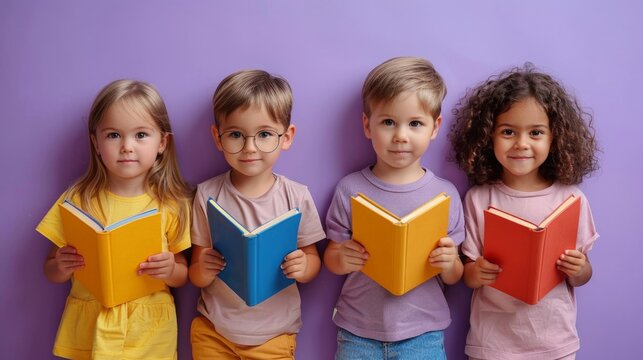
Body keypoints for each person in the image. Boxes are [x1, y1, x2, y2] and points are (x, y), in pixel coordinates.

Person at [449, 64, 599, 360]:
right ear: (488, 136)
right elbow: (467, 273)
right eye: (508, 131)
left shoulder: (571, 198)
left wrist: (580, 270)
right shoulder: (479, 198)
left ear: (554, 138)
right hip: (492, 345)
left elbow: (583, 275)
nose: (521, 144)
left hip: (555, 343)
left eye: (536, 133)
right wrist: (477, 272)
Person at [39, 79, 192, 359]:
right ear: (96, 143)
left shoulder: (172, 203)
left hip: (148, 331)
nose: (127, 147)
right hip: (89, 327)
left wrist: (170, 269)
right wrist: (61, 265)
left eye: (141, 135)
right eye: (113, 135)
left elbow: (183, 274)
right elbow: (50, 270)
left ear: (162, 143)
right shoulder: (79, 197)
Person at [324, 56, 465, 360]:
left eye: (415, 123)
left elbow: (454, 275)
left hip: (423, 334)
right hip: (357, 332)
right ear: (367, 125)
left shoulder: (445, 195)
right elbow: (332, 260)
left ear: (434, 127)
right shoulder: (350, 189)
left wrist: (449, 262)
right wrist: (343, 256)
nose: (401, 136)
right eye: (388, 122)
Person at [189, 69, 326, 359]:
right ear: (218, 137)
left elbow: (312, 260)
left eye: (264, 134)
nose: (249, 147)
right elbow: (196, 274)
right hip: (214, 332)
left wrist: (304, 266)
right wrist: (204, 268)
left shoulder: (296, 196)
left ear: (287, 137)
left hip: (274, 335)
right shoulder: (206, 194)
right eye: (236, 134)